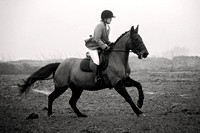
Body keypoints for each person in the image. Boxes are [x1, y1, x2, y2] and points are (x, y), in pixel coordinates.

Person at [85, 10, 115, 86]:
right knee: (97, 61)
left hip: (100, 46)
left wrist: (111, 43)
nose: (111, 19)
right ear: (105, 19)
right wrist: (105, 46)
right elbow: (97, 39)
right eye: (110, 18)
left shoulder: (107, 27)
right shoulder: (100, 26)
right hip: (93, 47)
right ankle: (96, 77)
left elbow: (106, 39)